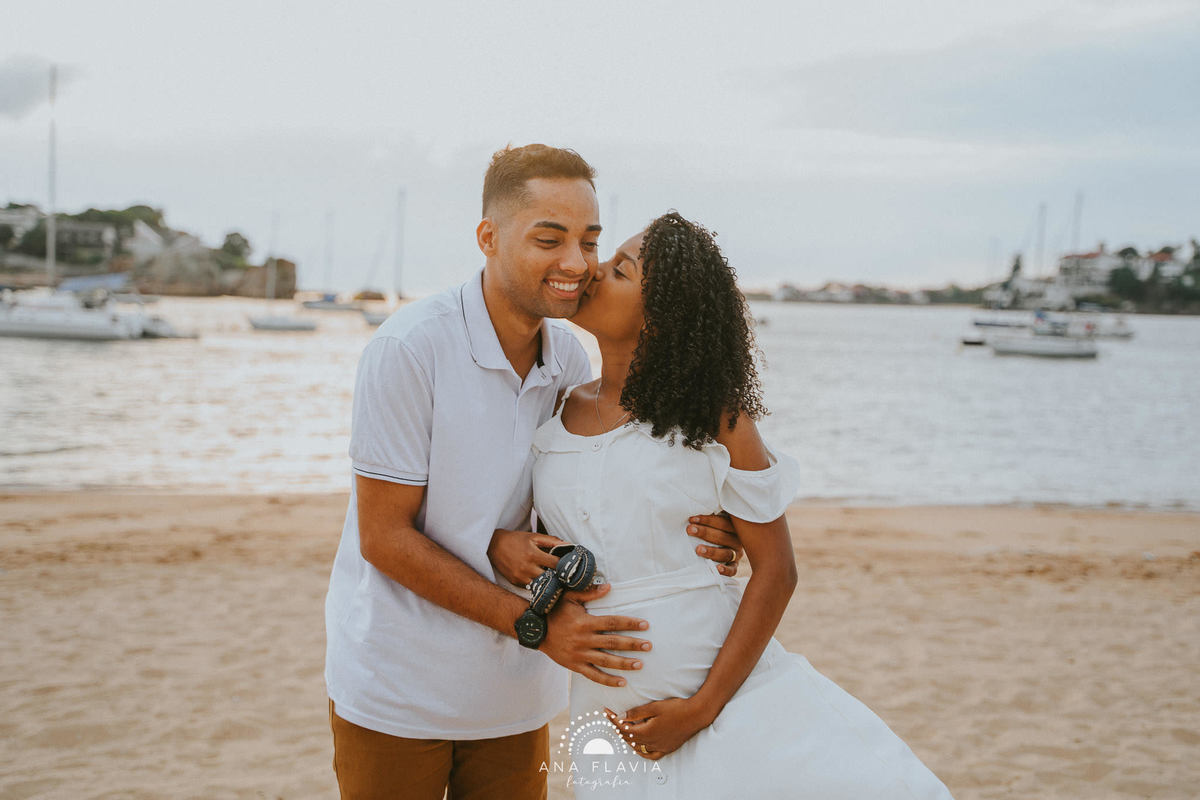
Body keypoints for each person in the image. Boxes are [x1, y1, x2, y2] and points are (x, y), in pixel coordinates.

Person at [324, 146, 743, 800]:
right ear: (488, 238)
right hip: (400, 691)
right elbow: (384, 537)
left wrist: (717, 526)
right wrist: (536, 620)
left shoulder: (573, 365)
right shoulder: (410, 349)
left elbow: (604, 497)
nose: (576, 263)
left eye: (590, 240)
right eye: (549, 239)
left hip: (519, 698)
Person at [490, 212, 955, 797]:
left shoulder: (715, 421)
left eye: (619, 271)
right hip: (607, 712)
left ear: (659, 319)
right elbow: (564, 529)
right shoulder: (558, 406)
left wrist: (702, 708)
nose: (590, 271)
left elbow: (778, 571)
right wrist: (503, 545)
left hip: (722, 702)